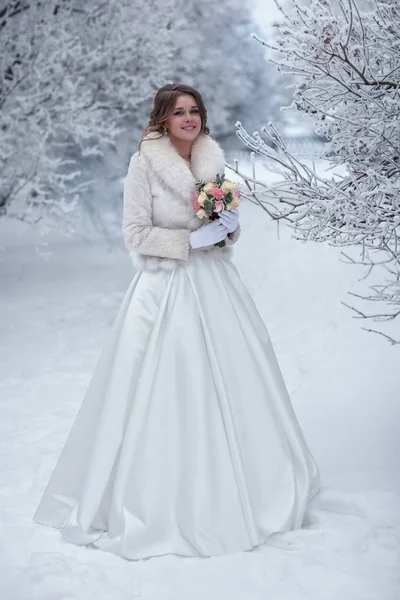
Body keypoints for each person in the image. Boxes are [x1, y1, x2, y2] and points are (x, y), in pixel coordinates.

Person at [33, 83, 320, 560]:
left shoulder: (211, 161)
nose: (189, 118)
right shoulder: (143, 164)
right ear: (163, 119)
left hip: (215, 287)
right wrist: (191, 241)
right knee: (162, 385)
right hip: (165, 289)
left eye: (195, 111)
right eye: (179, 112)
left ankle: (251, 486)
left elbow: (222, 229)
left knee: (237, 377)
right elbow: (135, 233)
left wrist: (226, 232)